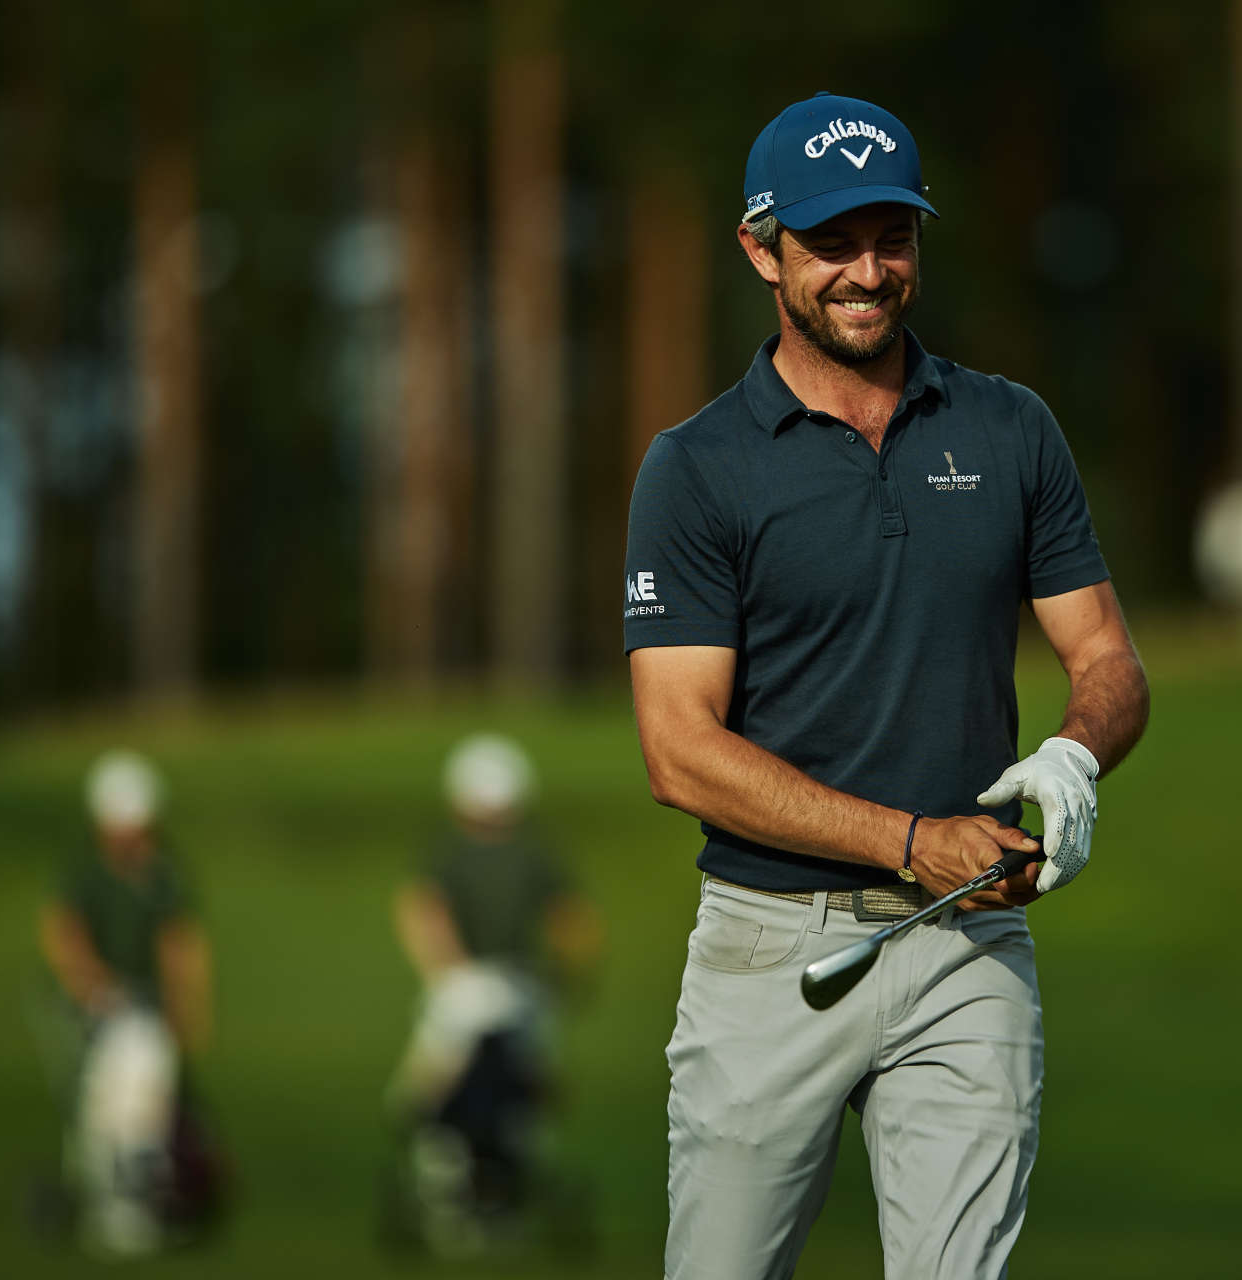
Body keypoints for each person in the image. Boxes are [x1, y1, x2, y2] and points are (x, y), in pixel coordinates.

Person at [623, 93, 1149, 1280]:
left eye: (891, 236)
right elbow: (679, 752)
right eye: (830, 242)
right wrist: (912, 839)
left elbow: (1108, 658)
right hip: (771, 951)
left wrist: (1073, 752)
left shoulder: (1011, 429)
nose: (867, 270)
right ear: (762, 250)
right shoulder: (697, 468)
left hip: (971, 949)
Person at [384, 733, 602, 1256]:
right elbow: (574, 922)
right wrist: (569, 981)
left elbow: (418, 909)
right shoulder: (534, 852)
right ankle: (507, 1207)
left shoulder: (449, 852)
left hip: (461, 990)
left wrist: (445, 971)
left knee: (433, 1100)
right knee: (521, 1101)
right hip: (525, 989)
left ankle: (445, 1206)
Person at [37, 749, 223, 1256]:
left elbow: (179, 944)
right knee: (103, 1109)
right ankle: (107, 1207)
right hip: (102, 1007)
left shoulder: (163, 875)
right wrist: (89, 982)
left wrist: (188, 1005)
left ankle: (134, 1208)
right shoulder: (89, 874)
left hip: (148, 1008)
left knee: (143, 1107)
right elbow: (63, 931)